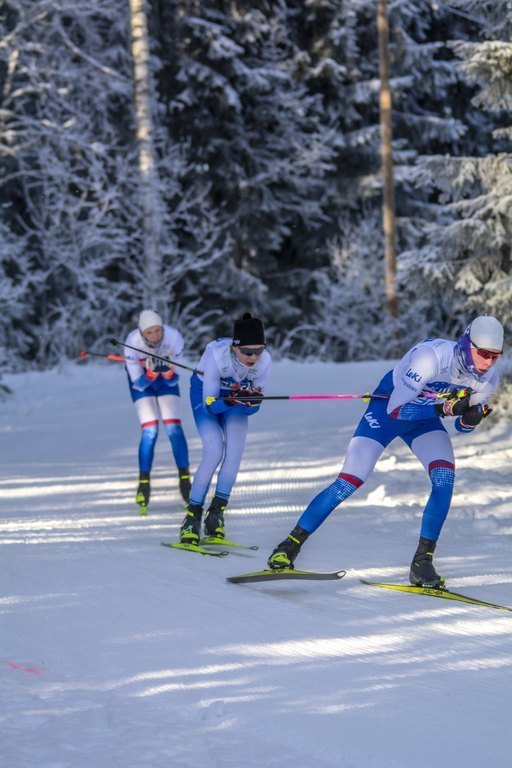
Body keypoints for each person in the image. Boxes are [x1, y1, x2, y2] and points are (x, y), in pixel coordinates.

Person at [268, 315, 504, 586]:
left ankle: (422, 563)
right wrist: (444, 409)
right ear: (465, 344)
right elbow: (397, 410)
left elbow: (462, 427)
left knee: (444, 479)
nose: (488, 362)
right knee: (349, 482)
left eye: (495, 356)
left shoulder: (487, 380)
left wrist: (468, 420)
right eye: (483, 353)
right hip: (388, 410)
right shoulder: (431, 358)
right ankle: (289, 546)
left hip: (424, 420)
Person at [180, 312, 272, 543]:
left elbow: (253, 408)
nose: (254, 357)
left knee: (234, 453)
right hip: (206, 395)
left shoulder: (265, 361)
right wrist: (233, 399)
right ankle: (192, 517)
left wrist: (251, 402)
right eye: (247, 352)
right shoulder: (216, 355)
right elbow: (211, 406)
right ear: (235, 347)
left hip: (232, 399)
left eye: (259, 351)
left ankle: (216, 514)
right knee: (213, 451)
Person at [124, 310, 191, 511]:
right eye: (150, 333)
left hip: (165, 382)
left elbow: (175, 377)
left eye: (158, 330)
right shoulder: (131, 342)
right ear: (142, 334)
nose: (155, 336)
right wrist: (151, 376)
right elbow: (137, 382)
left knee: (173, 428)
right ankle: (144, 482)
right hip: (143, 383)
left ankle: (185, 480)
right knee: (150, 429)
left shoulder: (174, 338)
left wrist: (170, 374)